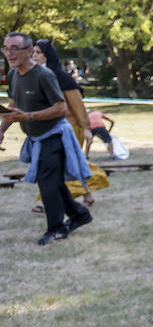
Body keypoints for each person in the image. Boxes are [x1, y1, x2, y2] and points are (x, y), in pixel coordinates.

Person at [1, 32, 94, 245]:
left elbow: (61, 108)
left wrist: (30, 116)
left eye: (14, 48)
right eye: (6, 48)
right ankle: (79, 214)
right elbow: (14, 105)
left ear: (29, 51)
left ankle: (57, 228)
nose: (9, 53)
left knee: (47, 184)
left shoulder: (44, 75)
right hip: (36, 137)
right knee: (53, 182)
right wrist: (2, 130)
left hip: (55, 136)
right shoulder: (14, 75)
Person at [35, 39, 109, 206]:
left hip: (70, 127)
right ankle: (86, 197)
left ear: (48, 55)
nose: (34, 56)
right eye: (33, 52)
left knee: (68, 164)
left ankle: (52, 202)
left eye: (38, 52)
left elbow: (78, 105)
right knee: (58, 165)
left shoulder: (62, 78)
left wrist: (87, 128)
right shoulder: (39, 76)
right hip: (49, 129)